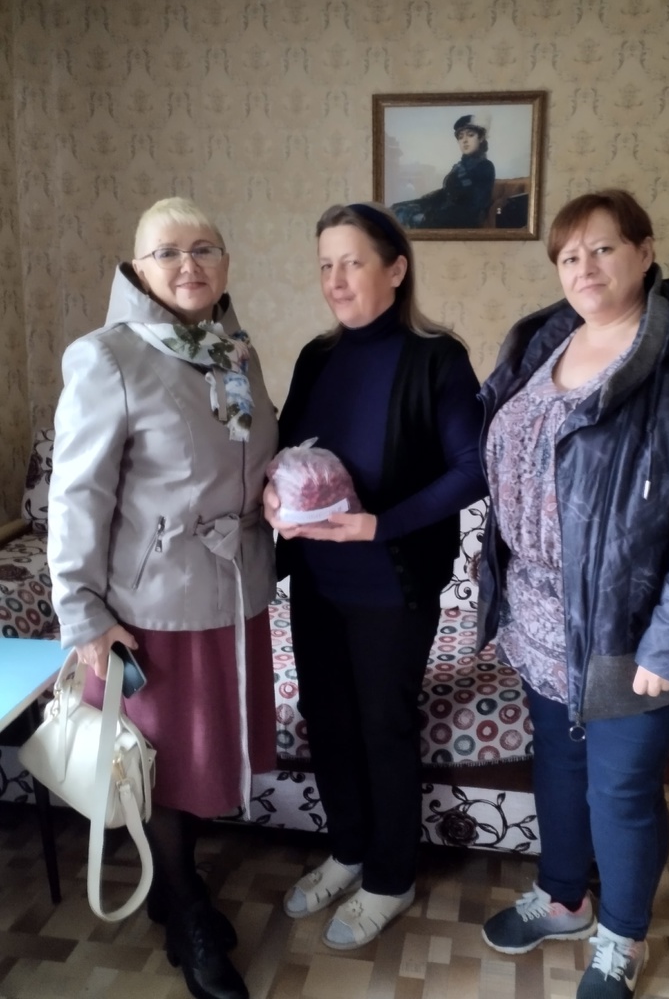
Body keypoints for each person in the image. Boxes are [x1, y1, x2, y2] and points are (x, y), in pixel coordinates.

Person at [476, 189, 669, 998]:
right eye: (568, 255)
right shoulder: (541, 341)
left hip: (635, 626)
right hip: (540, 616)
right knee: (559, 769)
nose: (584, 267)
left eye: (602, 248)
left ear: (644, 250)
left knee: (621, 785)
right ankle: (563, 898)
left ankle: (622, 936)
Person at [48, 197, 278, 999]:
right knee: (161, 767)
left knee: (202, 760)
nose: (188, 265)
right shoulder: (105, 357)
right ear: (137, 270)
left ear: (226, 262)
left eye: (204, 248)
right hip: (152, 607)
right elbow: (76, 496)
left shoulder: (234, 349)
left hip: (235, 591)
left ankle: (179, 887)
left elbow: (246, 455)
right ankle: (181, 908)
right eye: (167, 252)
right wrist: (84, 614)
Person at [265, 201, 486, 950]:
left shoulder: (436, 358)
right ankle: (348, 851)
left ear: (395, 269)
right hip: (316, 579)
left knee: (381, 726)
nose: (335, 279)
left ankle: (390, 877)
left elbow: (473, 468)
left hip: (392, 583)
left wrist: (380, 524)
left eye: (351, 262)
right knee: (326, 721)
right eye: (324, 265)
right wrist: (272, 496)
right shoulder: (315, 357)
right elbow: (287, 451)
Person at [392, 111, 496, 229]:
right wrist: (422, 203)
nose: (464, 140)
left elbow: (475, 206)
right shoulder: (460, 166)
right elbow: (446, 193)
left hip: (463, 220)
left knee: (414, 219)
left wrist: (430, 215)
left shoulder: (485, 166)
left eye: (470, 135)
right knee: (398, 209)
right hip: (446, 213)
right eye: (460, 137)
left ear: (481, 138)